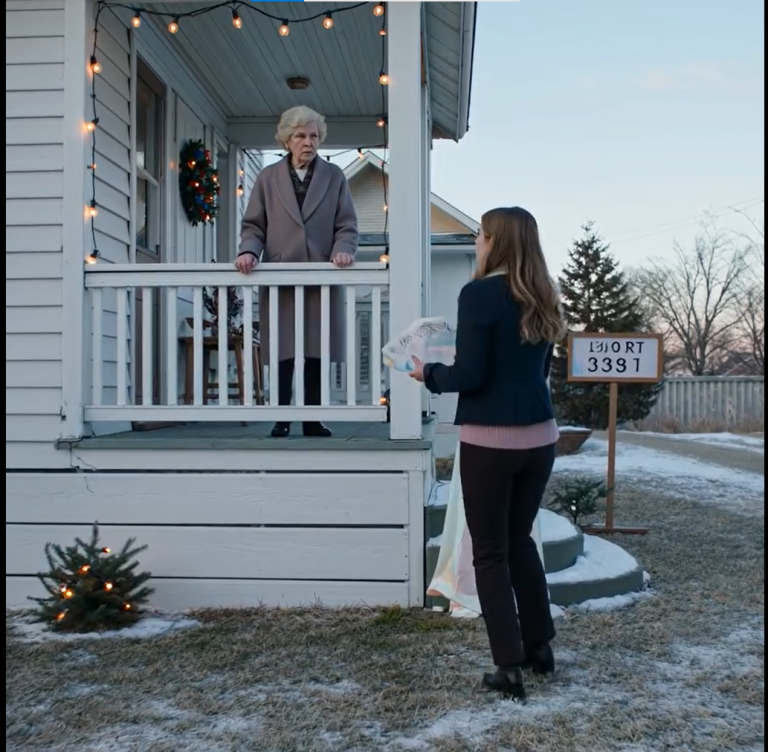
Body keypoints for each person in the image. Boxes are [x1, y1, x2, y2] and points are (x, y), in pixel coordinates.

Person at [409, 206, 567, 701]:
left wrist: (429, 375)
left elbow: (471, 375)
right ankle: (540, 648)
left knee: (491, 553)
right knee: (519, 540)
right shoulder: (544, 294)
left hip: (491, 441)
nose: (476, 241)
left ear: (495, 241)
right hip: (540, 437)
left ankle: (508, 667)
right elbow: (534, 372)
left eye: (480, 234)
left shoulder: (478, 294)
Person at [235, 106, 358, 438]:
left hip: (320, 276)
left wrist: (342, 250)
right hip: (281, 277)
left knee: (315, 353)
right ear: (287, 140)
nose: (309, 142)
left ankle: (313, 420)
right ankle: (282, 417)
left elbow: (346, 224)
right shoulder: (267, 178)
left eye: (314, 135)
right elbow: (254, 226)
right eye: (301, 136)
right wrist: (248, 251)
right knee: (284, 352)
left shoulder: (334, 177)